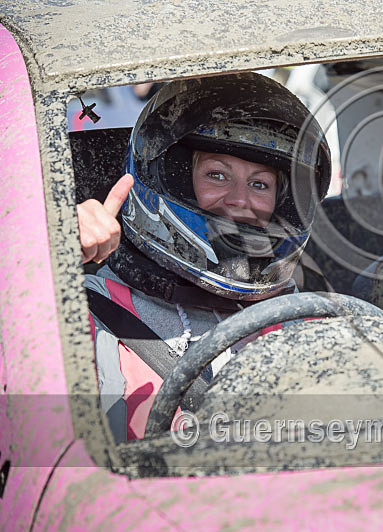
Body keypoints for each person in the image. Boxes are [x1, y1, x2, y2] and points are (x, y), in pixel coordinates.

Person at [78, 72, 331, 441]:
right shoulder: (84, 313)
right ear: (172, 175)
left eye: (260, 184)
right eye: (217, 175)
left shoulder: (307, 319)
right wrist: (46, 265)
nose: (240, 200)